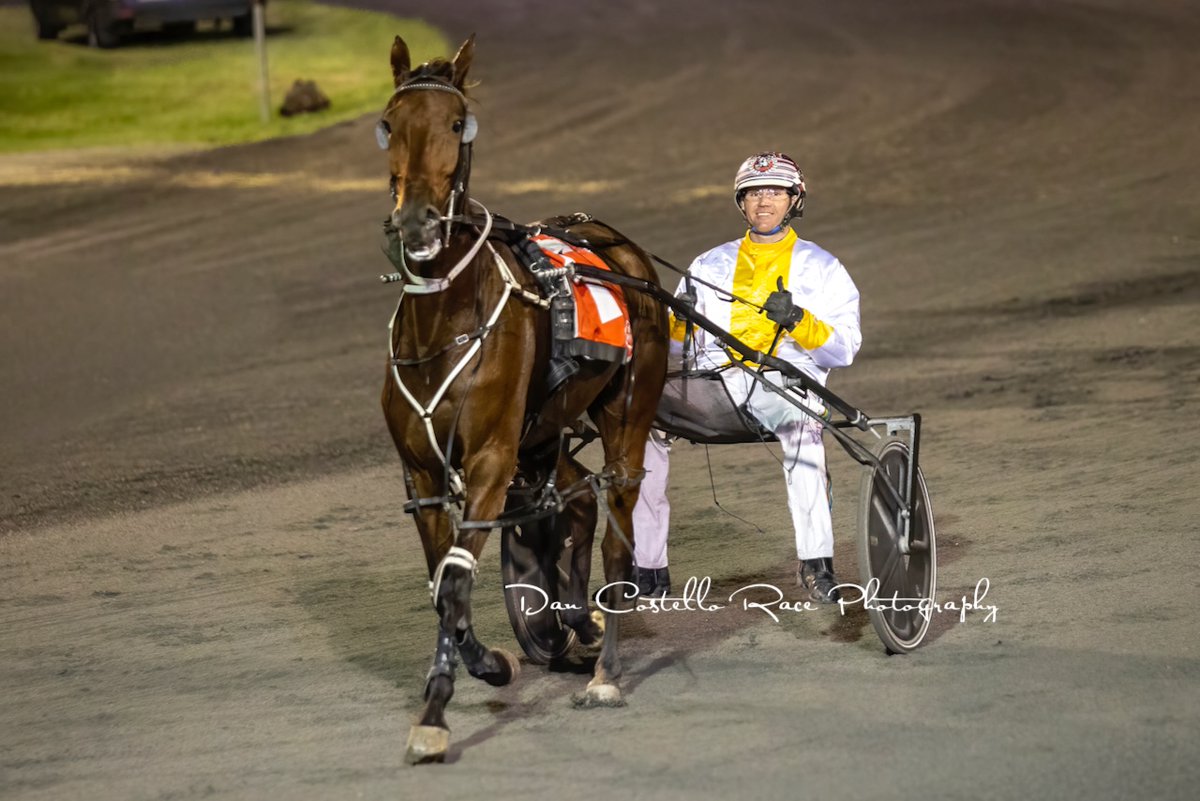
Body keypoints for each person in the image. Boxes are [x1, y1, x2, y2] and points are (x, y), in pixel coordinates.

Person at [632, 152, 862, 603]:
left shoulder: (823, 266)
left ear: (794, 199)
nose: (763, 201)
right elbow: (676, 347)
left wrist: (798, 320)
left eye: (774, 192)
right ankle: (648, 568)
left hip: (785, 390)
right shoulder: (708, 264)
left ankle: (817, 566)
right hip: (714, 390)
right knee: (641, 417)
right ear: (742, 203)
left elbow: (846, 348)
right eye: (754, 193)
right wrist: (664, 324)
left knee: (803, 433)